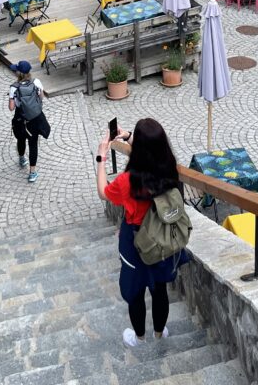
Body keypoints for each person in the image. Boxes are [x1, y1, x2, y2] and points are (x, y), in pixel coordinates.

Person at [96, 118, 186, 347]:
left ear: (140, 149)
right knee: (160, 289)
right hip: (162, 236)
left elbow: (103, 193)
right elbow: (149, 152)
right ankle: (158, 333)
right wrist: (127, 136)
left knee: (136, 292)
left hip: (136, 241)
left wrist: (102, 157)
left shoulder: (128, 181)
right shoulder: (168, 166)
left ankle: (139, 338)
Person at [8, 60, 48, 183]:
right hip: (35, 119)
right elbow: (41, 98)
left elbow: (11, 107)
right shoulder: (36, 82)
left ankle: (21, 158)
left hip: (21, 120)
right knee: (33, 144)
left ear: (18, 73)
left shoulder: (14, 88)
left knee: (21, 139)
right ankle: (32, 173)